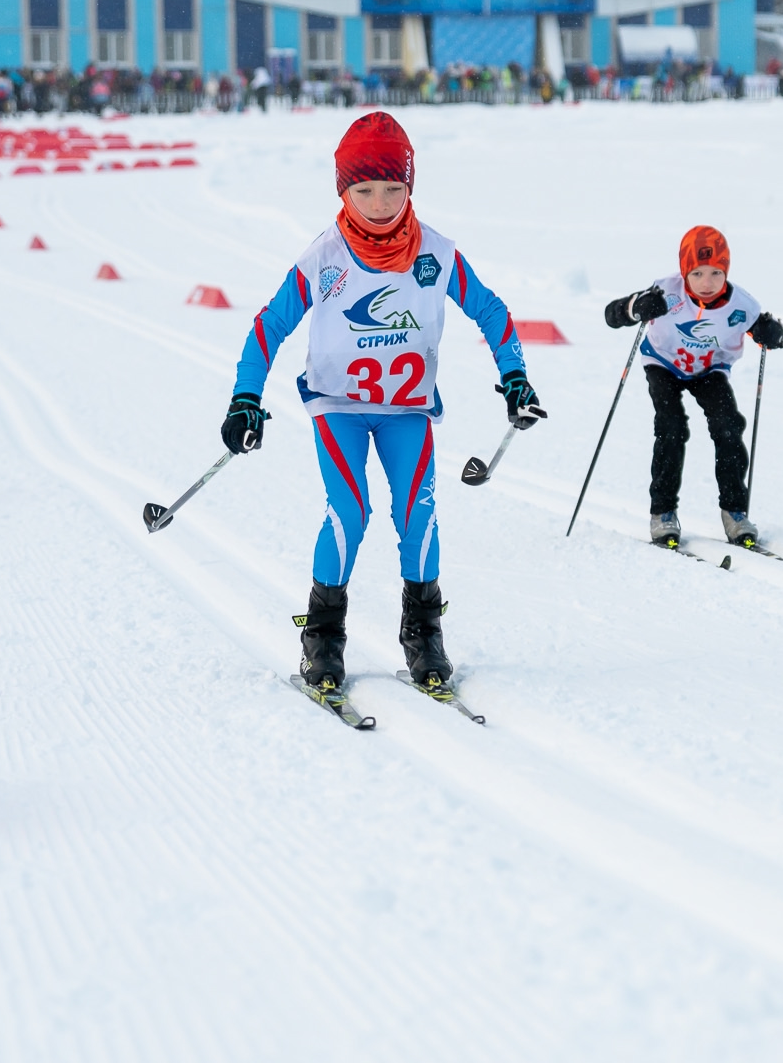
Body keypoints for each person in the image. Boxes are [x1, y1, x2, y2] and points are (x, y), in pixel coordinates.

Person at [219, 112, 541, 710]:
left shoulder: (436, 253)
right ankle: (322, 638)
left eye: (393, 189)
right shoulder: (325, 257)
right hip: (337, 406)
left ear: (409, 186)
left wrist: (515, 377)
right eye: (364, 190)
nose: (379, 204)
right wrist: (246, 397)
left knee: (419, 514)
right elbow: (269, 325)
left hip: (406, 410)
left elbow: (491, 311)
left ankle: (424, 634)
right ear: (343, 190)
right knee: (350, 510)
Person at [602, 225, 783, 551]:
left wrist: (773, 333)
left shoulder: (741, 305)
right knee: (671, 427)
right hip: (663, 363)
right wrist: (637, 307)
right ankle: (663, 513)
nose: (707, 282)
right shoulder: (665, 291)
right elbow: (612, 315)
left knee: (728, 426)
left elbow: (767, 330)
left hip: (709, 369)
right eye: (697, 273)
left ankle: (734, 512)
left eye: (716, 273)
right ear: (684, 272)